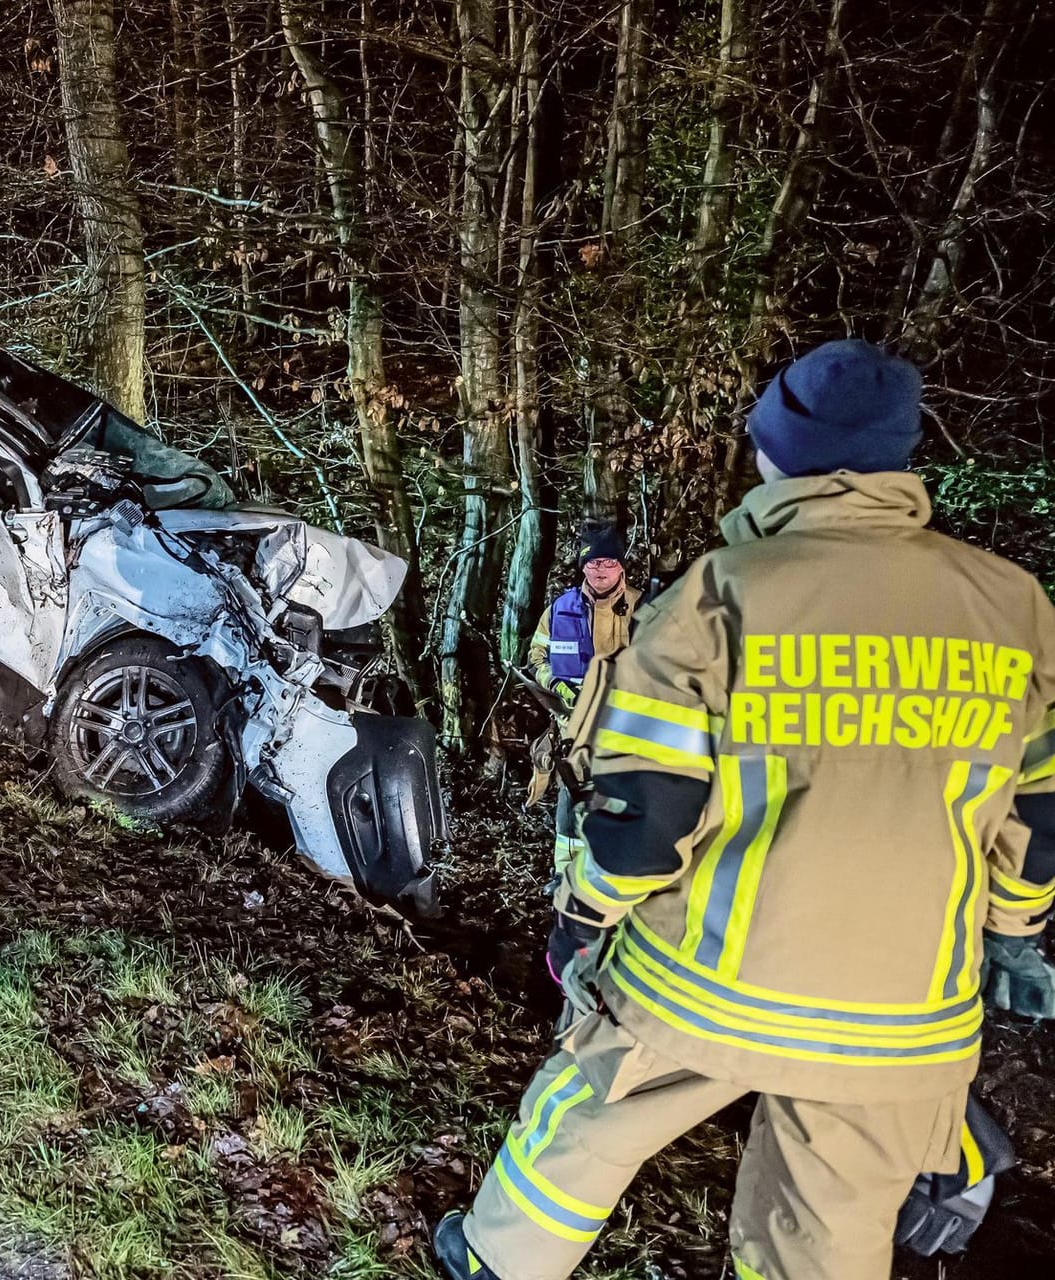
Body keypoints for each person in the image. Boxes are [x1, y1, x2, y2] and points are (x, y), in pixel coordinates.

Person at [434, 338, 1055, 1280]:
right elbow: (1039, 815)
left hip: (707, 983)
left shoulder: (715, 598)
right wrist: (1015, 931)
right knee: (829, 1227)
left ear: (775, 451)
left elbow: (644, 819)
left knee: (589, 1118)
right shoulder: (1014, 608)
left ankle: (495, 1260)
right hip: (905, 1011)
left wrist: (581, 914)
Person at [526, 525, 640, 877]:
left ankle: (617, 873)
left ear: (621, 566)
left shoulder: (644, 607)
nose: (600, 569)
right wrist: (555, 684)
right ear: (583, 566)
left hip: (626, 728)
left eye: (608, 562)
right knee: (571, 799)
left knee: (621, 799)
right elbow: (536, 656)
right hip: (571, 725)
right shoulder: (560, 609)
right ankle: (565, 875)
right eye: (593, 562)